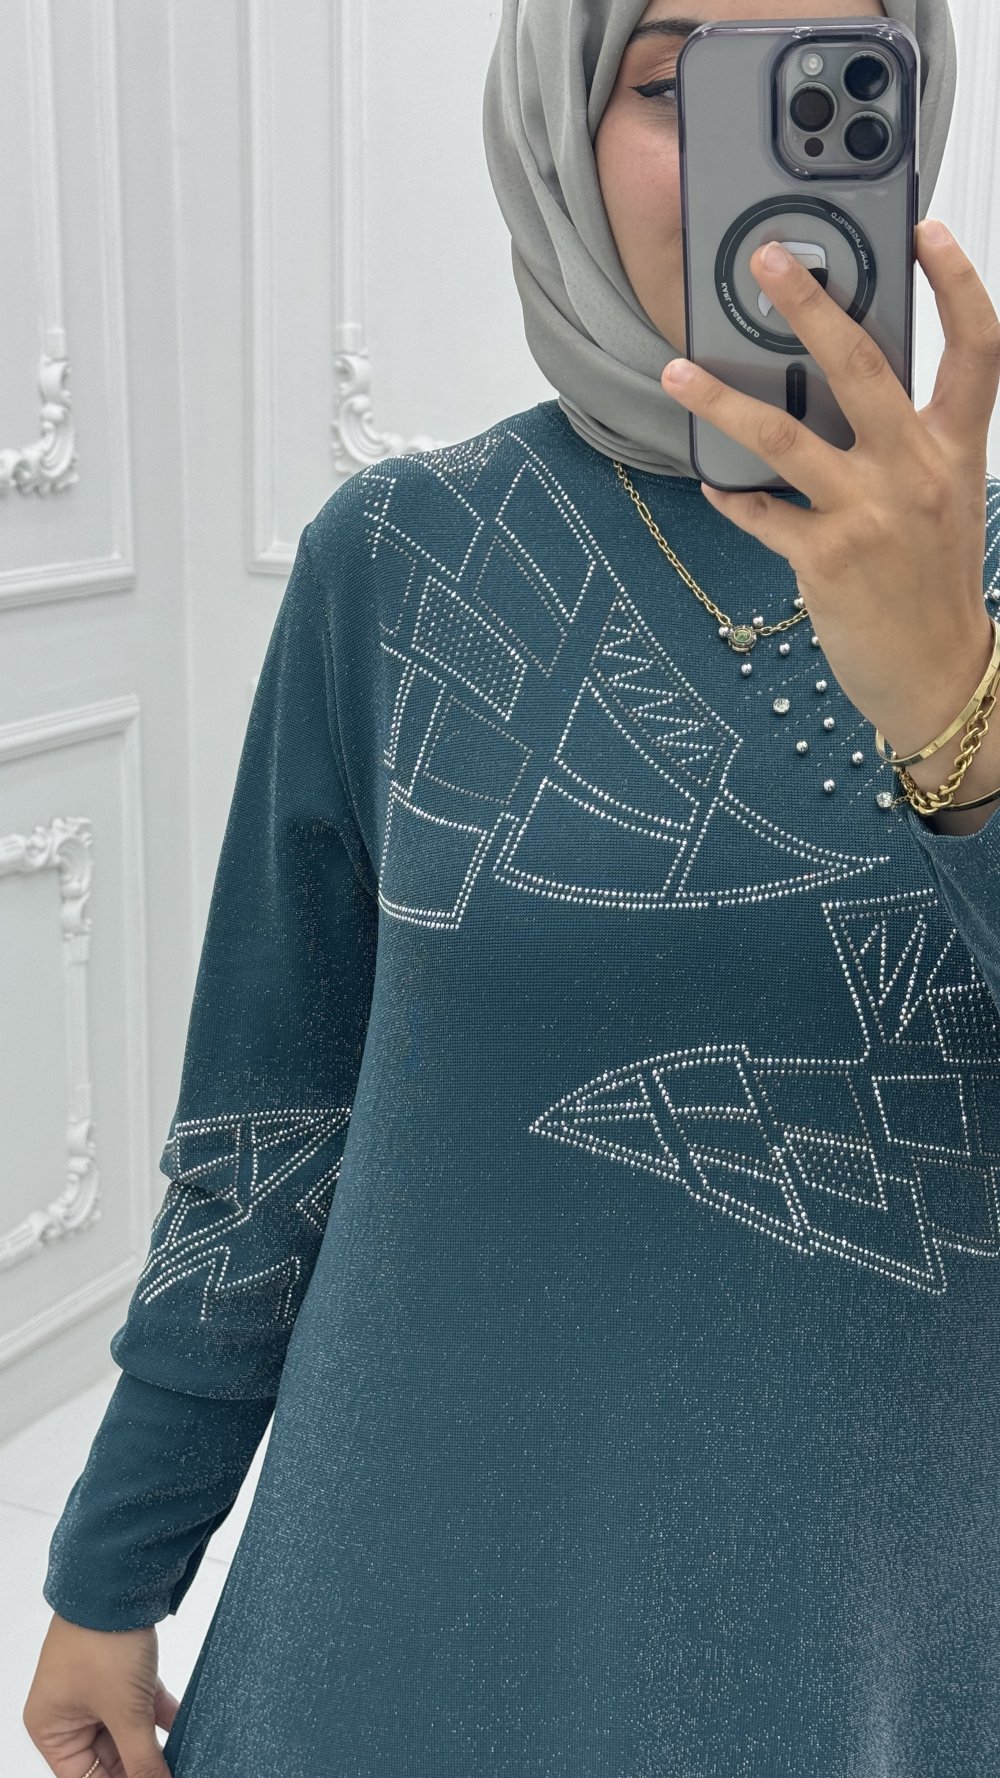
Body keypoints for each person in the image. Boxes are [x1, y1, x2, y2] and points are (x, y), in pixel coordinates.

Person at [22, 0, 1000, 1772]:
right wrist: (114, 1563)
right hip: (413, 1606)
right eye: (677, 81)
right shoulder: (399, 559)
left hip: (881, 1627)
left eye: (836, 86)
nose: (763, 165)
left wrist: (954, 703)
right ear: (556, 124)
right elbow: (269, 1114)